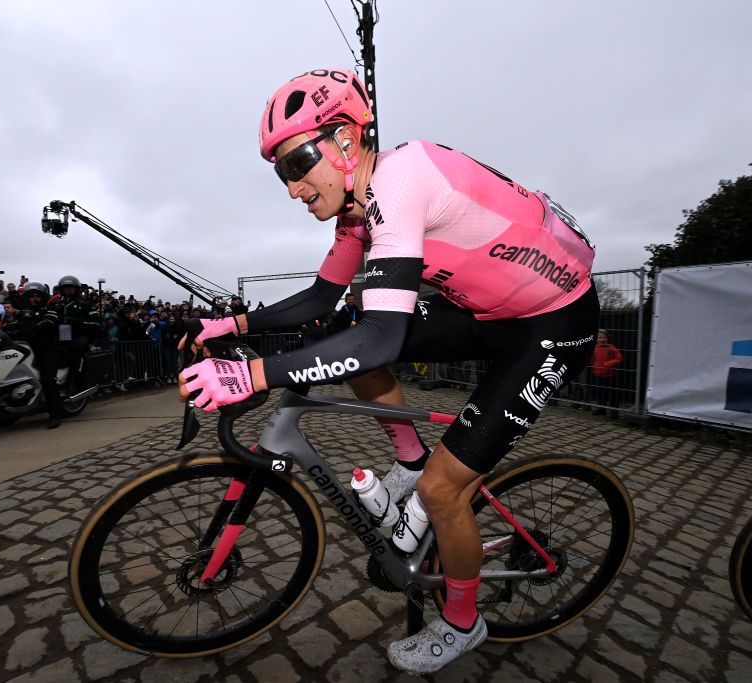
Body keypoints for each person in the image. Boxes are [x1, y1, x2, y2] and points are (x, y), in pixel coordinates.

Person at [178, 67, 599, 674]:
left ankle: (461, 620)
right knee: (351, 327)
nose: (292, 187)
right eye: (280, 172)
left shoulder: (401, 183)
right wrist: (236, 328)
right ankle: (407, 462)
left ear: (347, 140)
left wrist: (254, 376)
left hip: (554, 323)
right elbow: (321, 300)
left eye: (298, 163)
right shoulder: (358, 211)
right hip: (493, 312)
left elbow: (379, 343)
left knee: (443, 488)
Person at [4, 282, 64, 429]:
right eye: (31, 296)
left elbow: (50, 322)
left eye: (37, 295)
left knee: (48, 379)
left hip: (47, 347)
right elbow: (17, 325)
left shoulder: (50, 308)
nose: (34, 298)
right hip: (28, 348)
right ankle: (5, 414)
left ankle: (54, 415)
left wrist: (34, 328)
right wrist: (4, 330)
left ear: (43, 297)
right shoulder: (25, 312)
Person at [590, 329, 623, 418]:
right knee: (600, 393)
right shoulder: (594, 347)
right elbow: (592, 359)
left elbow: (619, 357)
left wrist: (609, 363)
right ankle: (602, 409)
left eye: (605, 337)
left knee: (612, 394)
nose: (602, 339)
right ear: (596, 339)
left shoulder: (611, 347)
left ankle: (614, 412)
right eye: (600, 338)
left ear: (608, 338)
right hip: (597, 374)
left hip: (610, 375)